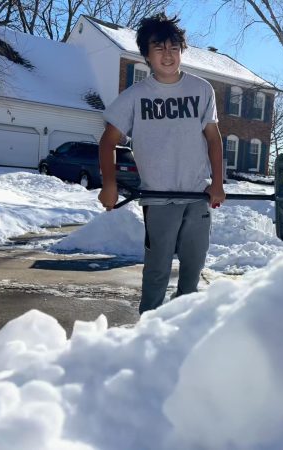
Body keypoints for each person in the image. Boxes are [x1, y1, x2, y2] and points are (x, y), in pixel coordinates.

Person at [98, 13, 225, 314]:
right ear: (146, 55)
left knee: (193, 271)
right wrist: (109, 184)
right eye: (159, 48)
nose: (167, 55)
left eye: (173, 47)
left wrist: (218, 183)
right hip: (158, 199)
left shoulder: (201, 90)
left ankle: (180, 330)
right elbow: (107, 141)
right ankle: (149, 331)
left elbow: (214, 139)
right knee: (157, 271)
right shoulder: (135, 97)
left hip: (196, 195)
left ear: (182, 50)